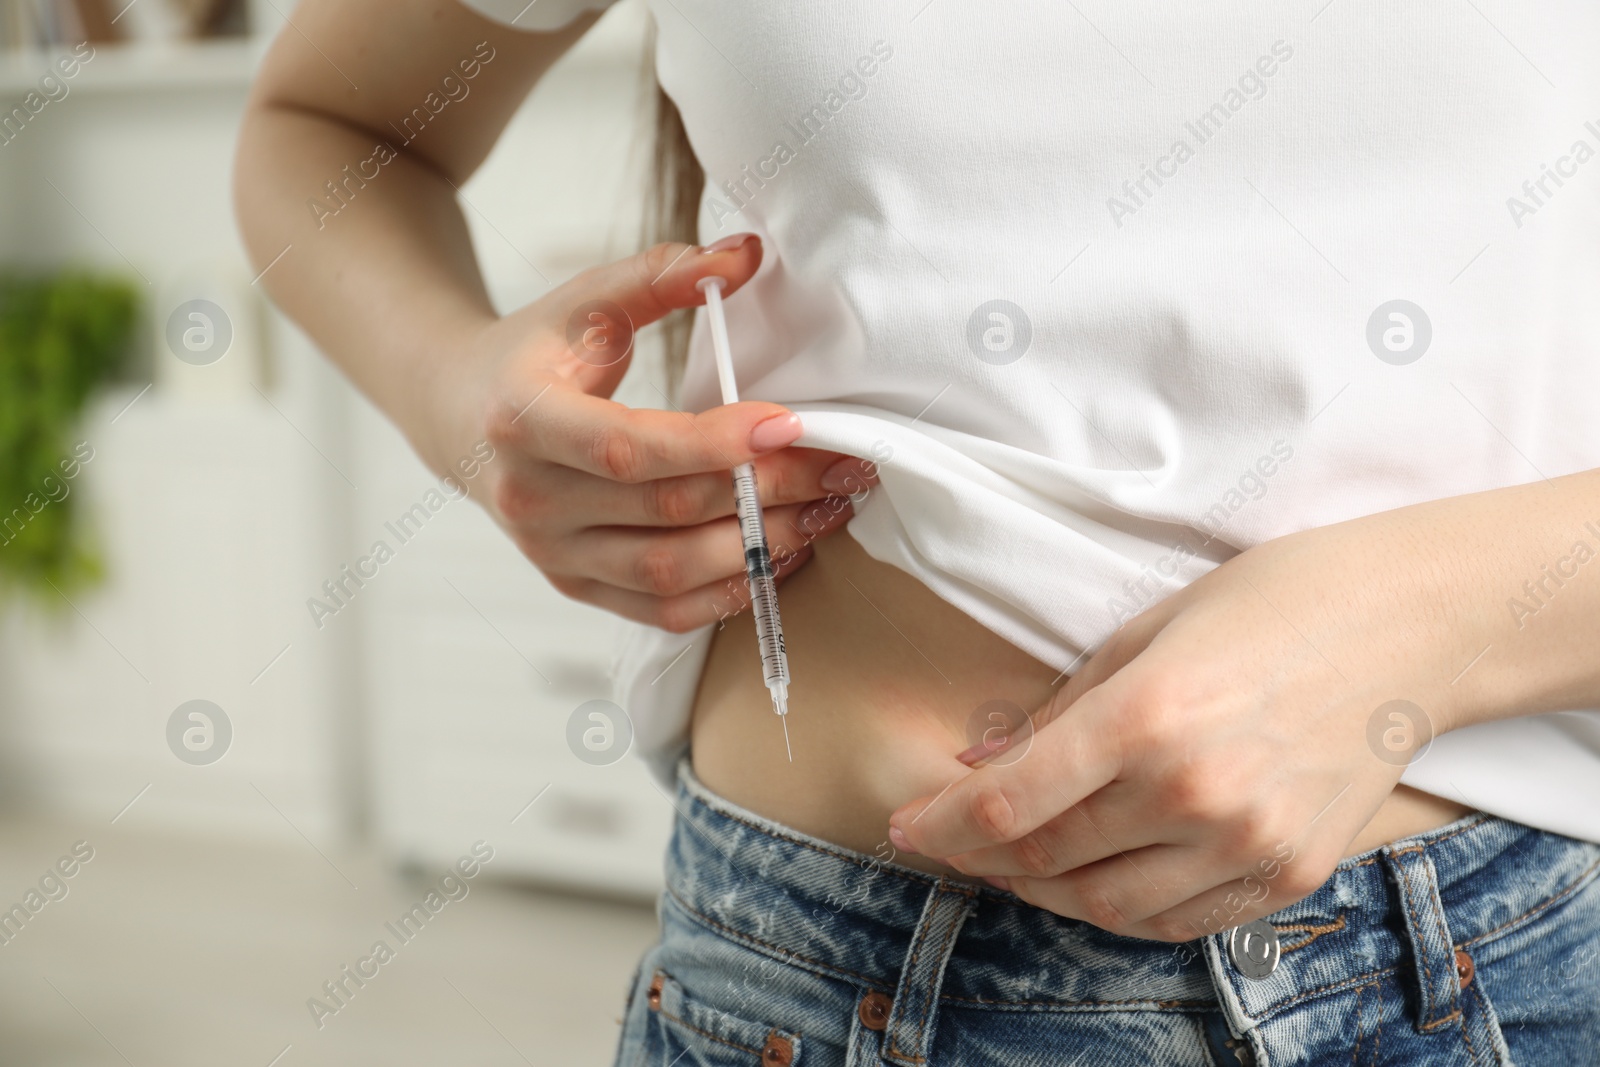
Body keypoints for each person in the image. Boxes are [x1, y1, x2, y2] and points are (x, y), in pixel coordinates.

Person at [235, 1, 1600, 1062]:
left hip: (1502, 966)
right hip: (814, 970)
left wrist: (1414, 631)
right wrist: (461, 399)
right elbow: (328, 124)